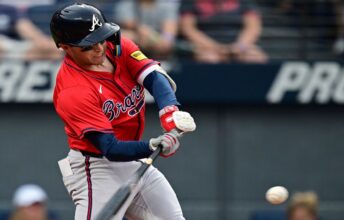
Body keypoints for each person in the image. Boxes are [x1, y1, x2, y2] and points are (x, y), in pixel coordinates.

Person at [50, 3, 195, 220]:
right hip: (95, 168)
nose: (99, 47)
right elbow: (110, 148)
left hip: (133, 160)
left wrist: (169, 109)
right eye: (87, 45)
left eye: (100, 38)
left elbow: (154, 77)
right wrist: (152, 146)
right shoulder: (73, 90)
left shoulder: (116, 48)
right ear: (65, 47)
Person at [180, 0, 268, 63]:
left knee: (254, 57)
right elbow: (188, 28)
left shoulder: (245, 2)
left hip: (240, 47)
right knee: (209, 58)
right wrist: (215, 47)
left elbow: (253, 26)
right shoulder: (191, 2)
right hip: (206, 47)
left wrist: (240, 46)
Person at [114, 0, 180, 60]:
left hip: (158, 45)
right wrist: (141, 33)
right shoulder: (127, 4)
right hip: (135, 43)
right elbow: (128, 23)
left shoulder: (166, 4)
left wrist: (153, 36)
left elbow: (169, 34)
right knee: (124, 36)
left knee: (166, 42)